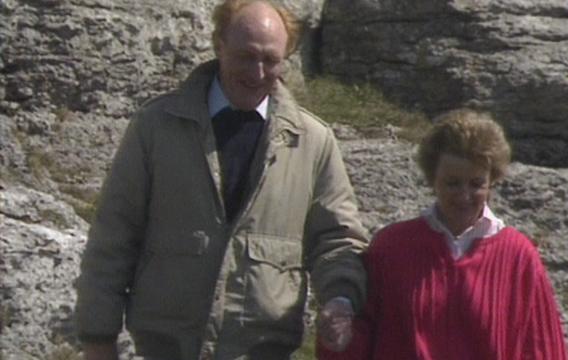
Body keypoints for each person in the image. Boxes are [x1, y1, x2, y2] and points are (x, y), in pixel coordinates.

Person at [74, 1, 368, 359]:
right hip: (162, 349)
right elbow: (113, 238)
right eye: (246, 56)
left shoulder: (313, 142)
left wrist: (340, 298)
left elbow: (337, 240)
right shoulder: (157, 127)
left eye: (271, 60)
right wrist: (98, 338)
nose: (258, 72)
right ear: (218, 45)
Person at [318, 109, 568, 359]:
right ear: (432, 178)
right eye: (452, 183)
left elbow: (541, 349)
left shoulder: (518, 256)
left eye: (476, 184)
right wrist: (336, 333)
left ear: (492, 181)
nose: (464, 196)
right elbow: (354, 343)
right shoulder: (392, 247)